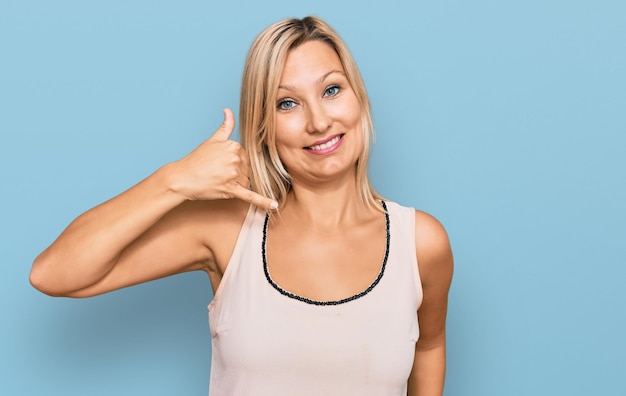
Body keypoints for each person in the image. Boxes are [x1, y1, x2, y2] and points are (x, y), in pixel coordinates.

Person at [30, 16, 453, 396]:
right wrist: (172, 181)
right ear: (264, 128)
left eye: (332, 90)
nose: (319, 121)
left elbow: (429, 344)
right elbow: (55, 273)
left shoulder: (419, 243)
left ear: (358, 98)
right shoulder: (229, 231)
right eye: (287, 103)